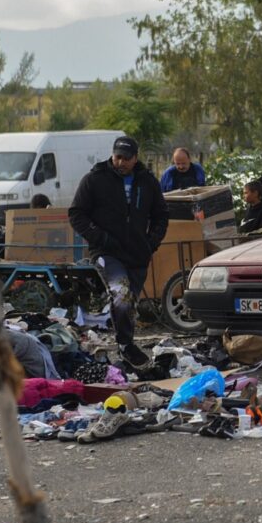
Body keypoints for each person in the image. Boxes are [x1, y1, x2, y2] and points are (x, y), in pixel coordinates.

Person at [68, 136, 169, 368]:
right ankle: (125, 345)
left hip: (137, 253)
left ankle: (127, 347)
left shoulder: (147, 182)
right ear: (112, 155)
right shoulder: (94, 179)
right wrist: (100, 237)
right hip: (106, 252)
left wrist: (151, 242)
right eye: (117, 157)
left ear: (136, 158)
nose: (121, 162)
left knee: (128, 302)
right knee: (121, 294)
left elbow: (161, 215)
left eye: (126, 158)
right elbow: (76, 214)